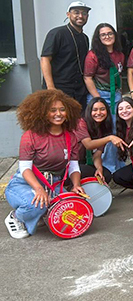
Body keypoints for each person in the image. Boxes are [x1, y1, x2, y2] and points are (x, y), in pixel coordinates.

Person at [4, 90, 87, 238]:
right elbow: (25, 168)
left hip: (53, 184)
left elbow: (73, 166)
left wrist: (76, 185)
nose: (59, 114)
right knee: (36, 205)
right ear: (42, 113)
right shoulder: (30, 136)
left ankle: (40, 213)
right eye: (52, 110)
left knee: (75, 205)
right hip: (25, 183)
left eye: (62, 110)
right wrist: (38, 189)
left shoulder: (71, 137)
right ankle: (16, 217)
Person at [40, 2, 92, 109]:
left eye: (84, 13)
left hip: (79, 90)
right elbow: (45, 59)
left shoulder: (85, 38)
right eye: (76, 12)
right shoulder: (57, 33)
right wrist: (51, 88)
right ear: (68, 15)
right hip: (59, 88)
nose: (80, 16)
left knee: (78, 122)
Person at [74, 97, 125, 176]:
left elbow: (97, 154)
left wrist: (99, 169)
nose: (99, 113)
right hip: (73, 162)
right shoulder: (81, 123)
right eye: (95, 110)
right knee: (88, 172)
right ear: (89, 111)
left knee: (106, 175)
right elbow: (89, 145)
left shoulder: (103, 127)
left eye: (102, 109)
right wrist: (110, 138)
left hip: (87, 162)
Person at [84, 23, 124, 118]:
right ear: (98, 38)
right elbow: (87, 78)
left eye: (110, 33)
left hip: (116, 94)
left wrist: (120, 92)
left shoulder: (120, 55)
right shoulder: (93, 55)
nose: (107, 36)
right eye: (103, 34)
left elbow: (119, 74)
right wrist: (98, 98)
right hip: (99, 93)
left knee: (115, 125)